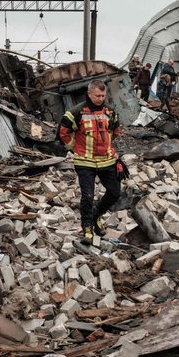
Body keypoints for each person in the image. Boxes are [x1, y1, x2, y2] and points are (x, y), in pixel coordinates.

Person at [59, 80, 122, 245]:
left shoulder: (110, 112)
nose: (100, 99)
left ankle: (96, 216)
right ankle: (87, 226)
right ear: (89, 94)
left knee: (115, 192)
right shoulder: (76, 112)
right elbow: (63, 132)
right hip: (85, 162)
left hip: (107, 160)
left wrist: (107, 146)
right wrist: (74, 147)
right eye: (97, 96)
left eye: (103, 95)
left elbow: (115, 131)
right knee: (87, 196)